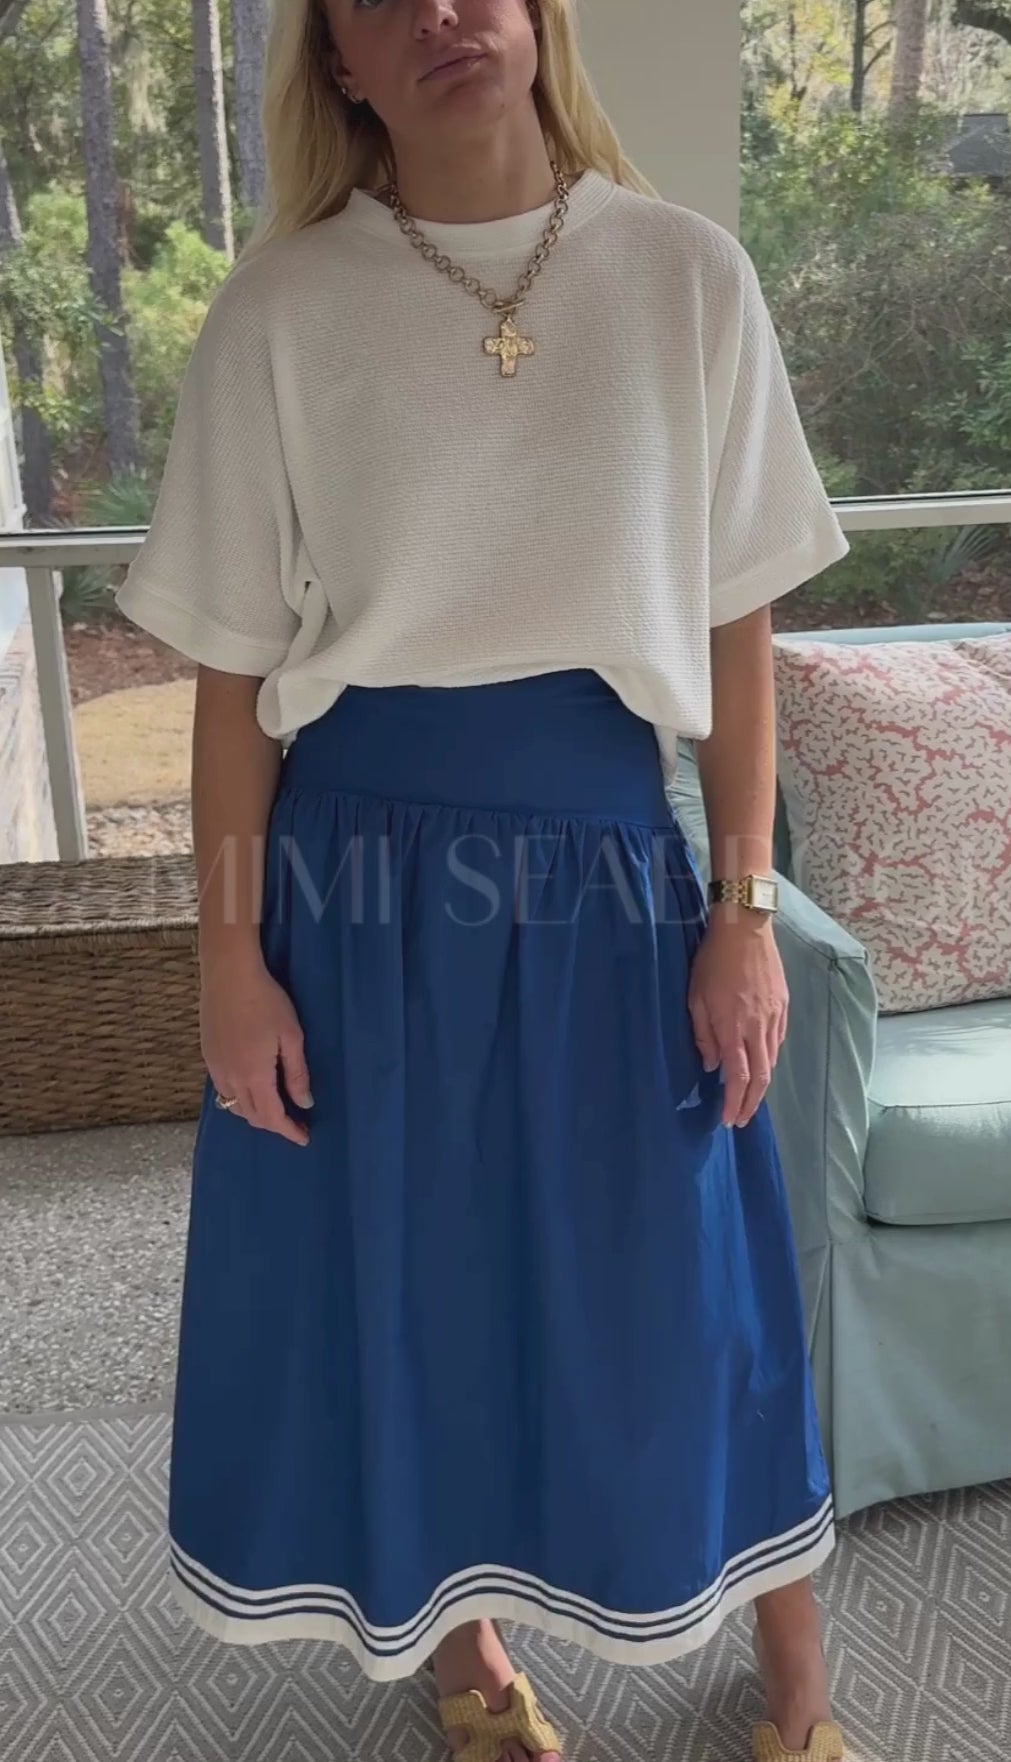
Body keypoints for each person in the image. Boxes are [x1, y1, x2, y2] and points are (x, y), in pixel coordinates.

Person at [114, 3, 852, 1759]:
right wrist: (228, 956)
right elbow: (230, 683)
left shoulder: (684, 275)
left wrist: (742, 912)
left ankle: (800, 1684)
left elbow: (735, 638)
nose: (442, 12)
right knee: (414, 1279)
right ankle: (466, 1656)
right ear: (340, 64)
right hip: (356, 881)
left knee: (688, 1286)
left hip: (610, 868)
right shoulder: (280, 311)